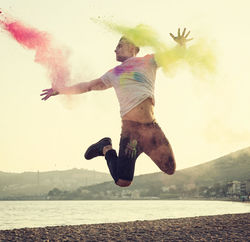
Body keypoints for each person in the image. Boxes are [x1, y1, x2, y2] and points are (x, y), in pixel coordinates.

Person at [41, 28, 193, 187]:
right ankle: (105, 148)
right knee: (123, 181)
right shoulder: (114, 73)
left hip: (151, 129)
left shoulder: (149, 61)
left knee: (169, 169)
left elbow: (174, 56)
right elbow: (88, 86)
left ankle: (140, 149)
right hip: (131, 130)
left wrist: (181, 45)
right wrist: (61, 90)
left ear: (133, 48)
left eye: (120, 45)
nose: (115, 49)